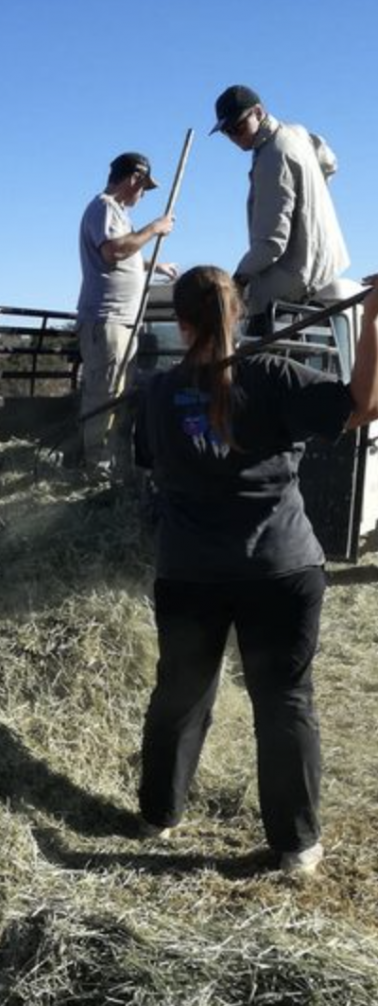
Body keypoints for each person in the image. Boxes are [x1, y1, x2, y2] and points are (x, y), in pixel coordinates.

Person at [135, 265, 378, 875]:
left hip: (191, 574)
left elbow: (151, 461)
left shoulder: (158, 393)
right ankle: (296, 847)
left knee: (180, 694)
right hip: (279, 569)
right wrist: (373, 317)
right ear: (238, 314)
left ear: (182, 323)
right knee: (284, 701)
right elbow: (363, 406)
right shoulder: (273, 375)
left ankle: (158, 816)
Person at [211, 84, 350, 333]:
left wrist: (237, 282)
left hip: (286, 294)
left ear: (259, 112)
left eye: (239, 126)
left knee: (258, 367)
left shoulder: (271, 158)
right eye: (227, 132)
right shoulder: (297, 133)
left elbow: (271, 243)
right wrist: (310, 199)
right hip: (323, 271)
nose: (235, 136)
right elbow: (330, 163)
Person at [76, 151, 177, 470]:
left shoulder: (117, 213)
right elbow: (113, 251)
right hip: (108, 320)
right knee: (104, 398)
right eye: (143, 187)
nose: (143, 194)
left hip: (122, 323)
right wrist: (155, 228)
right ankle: (96, 469)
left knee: (118, 396)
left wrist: (152, 264)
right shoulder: (103, 207)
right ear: (134, 178)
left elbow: (124, 253)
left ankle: (112, 466)